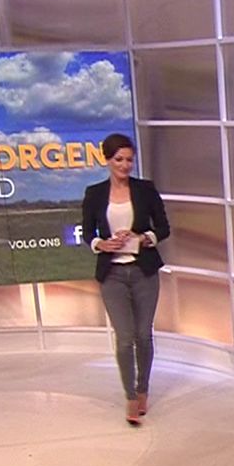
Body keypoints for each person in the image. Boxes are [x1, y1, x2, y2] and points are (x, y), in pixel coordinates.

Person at [83, 133, 172, 426]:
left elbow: (163, 227)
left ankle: (143, 388)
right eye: (119, 159)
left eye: (129, 160)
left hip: (144, 271)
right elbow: (87, 233)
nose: (124, 165)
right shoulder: (94, 193)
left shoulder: (145, 190)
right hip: (112, 275)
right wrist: (101, 244)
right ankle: (130, 396)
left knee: (143, 335)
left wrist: (143, 237)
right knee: (124, 338)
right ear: (107, 160)